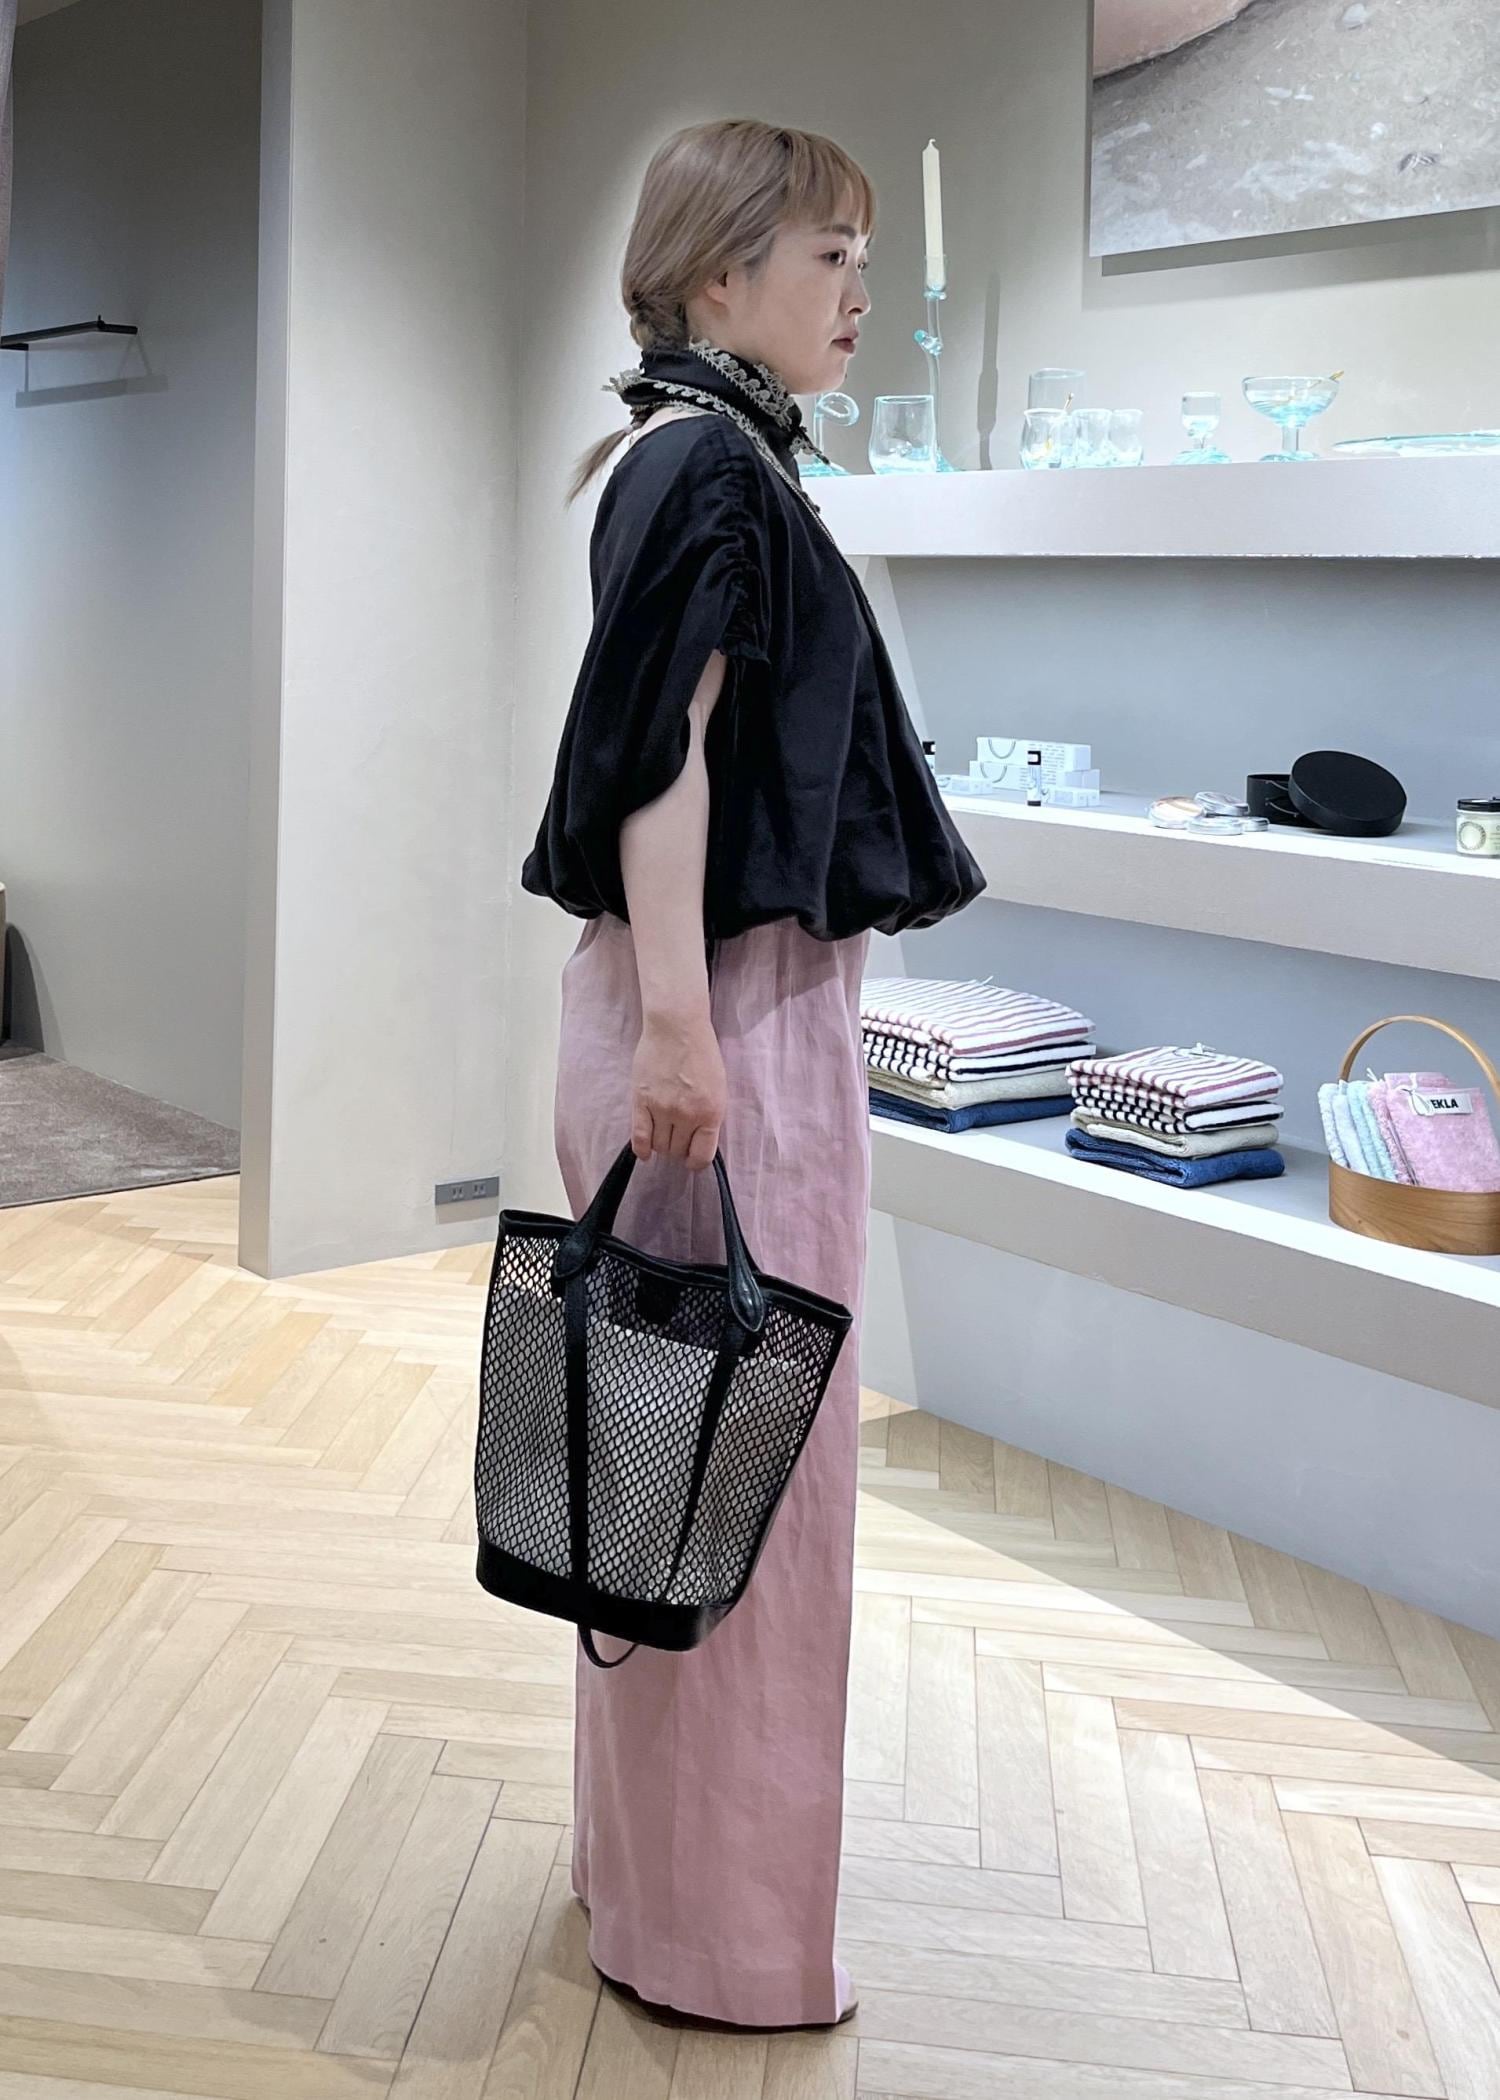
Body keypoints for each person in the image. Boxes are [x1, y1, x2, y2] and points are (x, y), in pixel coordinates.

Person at [520, 116, 985, 2034]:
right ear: (721, 274)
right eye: (828, 254)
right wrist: (685, 1033)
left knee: (673, 1473)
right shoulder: (709, 463)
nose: (861, 289)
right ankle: (716, 1945)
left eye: (865, 252)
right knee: (744, 1498)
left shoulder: (691, 448)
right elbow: (668, 760)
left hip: (712, 1008)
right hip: (723, 1017)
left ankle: (658, 1893)